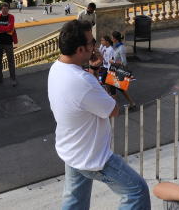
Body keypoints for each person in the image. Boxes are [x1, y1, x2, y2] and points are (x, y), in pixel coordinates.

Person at [48, 19, 150, 209]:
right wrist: (96, 76)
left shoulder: (57, 68)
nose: (94, 46)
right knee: (137, 191)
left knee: (74, 201)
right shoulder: (82, 80)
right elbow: (113, 109)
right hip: (92, 156)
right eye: (91, 43)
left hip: (71, 148)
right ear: (80, 50)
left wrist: (93, 71)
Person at [109, 31, 136, 109]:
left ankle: (113, 108)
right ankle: (132, 103)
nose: (111, 39)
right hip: (114, 69)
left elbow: (124, 62)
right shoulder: (116, 46)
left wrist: (113, 61)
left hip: (119, 70)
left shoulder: (121, 48)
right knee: (118, 88)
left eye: (112, 37)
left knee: (114, 88)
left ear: (115, 39)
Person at [0, 2, 17, 86]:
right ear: (1, 9)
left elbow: (10, 27)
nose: (5, 10)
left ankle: (13, 79)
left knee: (11, 61)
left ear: (8, 9)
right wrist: (5, 29)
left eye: (6, 9)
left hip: (8, 43)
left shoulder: (11, 17)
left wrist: (1, 28)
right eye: (3, 9)